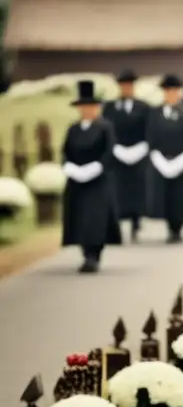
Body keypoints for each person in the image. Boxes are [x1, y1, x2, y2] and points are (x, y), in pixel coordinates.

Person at [61, 80, 122, 273]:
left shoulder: (105, 127)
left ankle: (94, 255)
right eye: (84, 107)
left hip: (98, 181)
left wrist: (96, 167)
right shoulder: (73, 129)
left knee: (95, 220)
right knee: (79, 218)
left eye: (91, 107)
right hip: (77, 181)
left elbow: (110, 151)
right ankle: (84, 253)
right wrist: (70, 167)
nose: (87, 110)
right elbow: (65, 151)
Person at [145, 74, 183, 243]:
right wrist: (159, 159)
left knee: (181, 197)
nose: (171, 94)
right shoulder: (154, 113)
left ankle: (178, 228)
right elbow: (150, 137)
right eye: (168, 91)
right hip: (161, 159)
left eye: (175, 91)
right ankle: (169, 227)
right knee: (165, 196)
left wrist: (182, 160)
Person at [102, 69, 151, 242]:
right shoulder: (109, 108)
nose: (127, 89)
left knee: (137, 190)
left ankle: (136, 221)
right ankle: (119, 222)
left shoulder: (143, 107)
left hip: (139, 153)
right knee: (118, 191)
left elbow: (148, 130)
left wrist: (142, 148)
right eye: (124, 85)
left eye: (129, 85)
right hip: (117, 154)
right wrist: (115, 148)